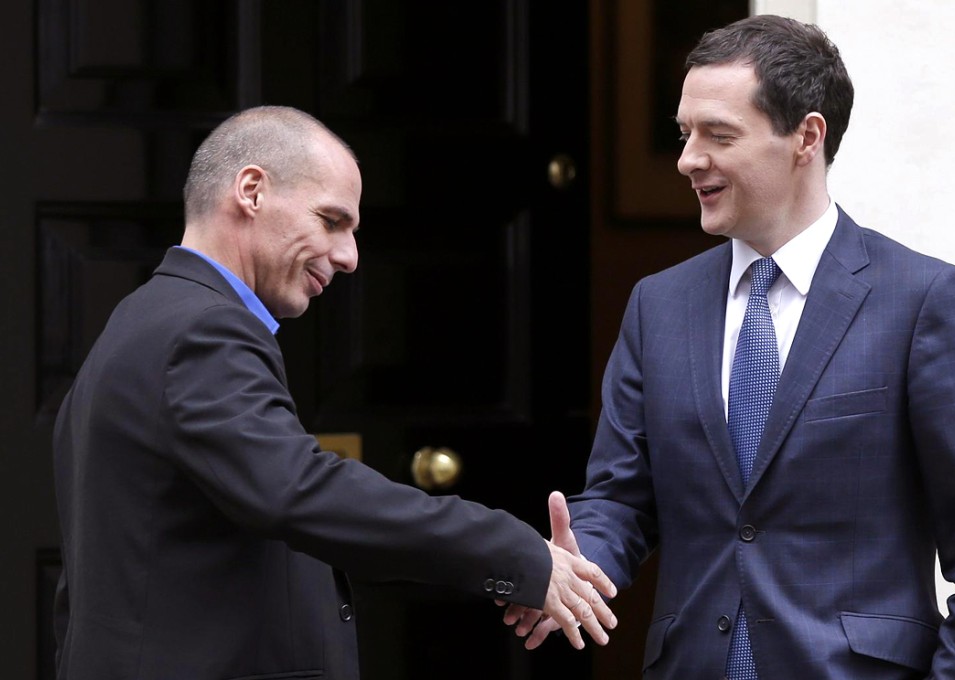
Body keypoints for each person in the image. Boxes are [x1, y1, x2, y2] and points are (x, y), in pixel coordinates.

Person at [503, 14, 955, 679]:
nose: (689, 159)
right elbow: (622, 497)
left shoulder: (922, 301)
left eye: (719, 135)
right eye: (684, 134)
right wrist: (575, 567)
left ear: (806, 136)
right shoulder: (658, 305)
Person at [51, 105, 617, 680]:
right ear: (251, 191)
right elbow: (300, 490)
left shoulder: (140, 321)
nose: (349, 258)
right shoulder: (203, 330)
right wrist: (517, 554)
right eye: (330, 221)